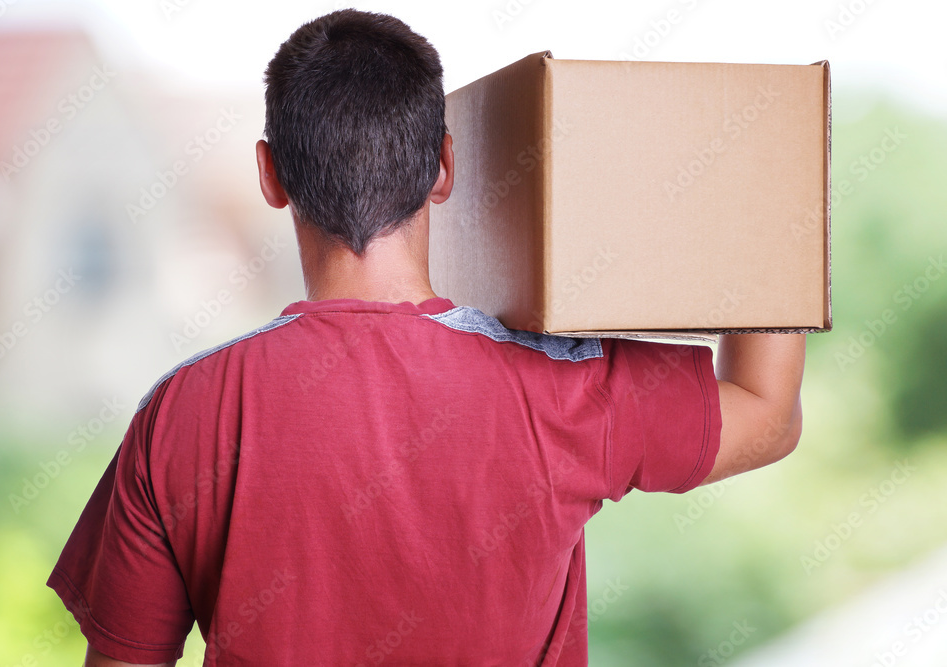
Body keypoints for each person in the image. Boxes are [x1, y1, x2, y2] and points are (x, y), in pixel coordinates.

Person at [47, 8, 805, 666]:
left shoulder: (181, 413)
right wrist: (766, 182)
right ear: (444, 166)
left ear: (270, 175)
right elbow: (767, 410)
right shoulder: (563, 386)